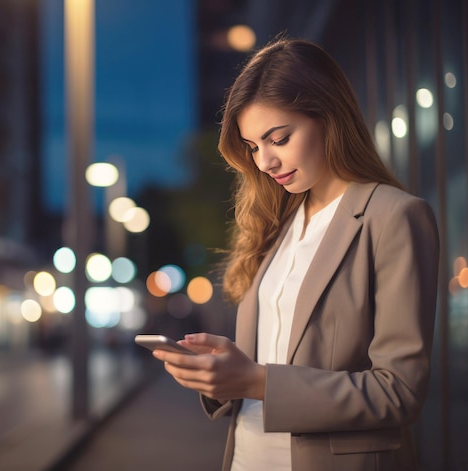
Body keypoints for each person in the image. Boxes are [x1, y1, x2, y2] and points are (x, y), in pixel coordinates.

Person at [151, 37, 440, 471]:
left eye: (279, 138)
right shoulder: (275, 224)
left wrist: (258, 381)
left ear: (329, 118)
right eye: (252, 146)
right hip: (247, 458)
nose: (264, 161)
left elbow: (399, 391)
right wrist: (219, 376)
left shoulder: (393, 217)